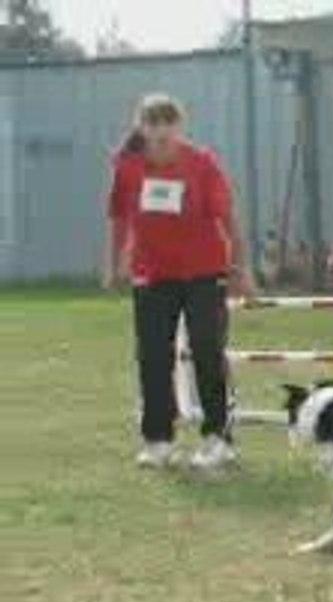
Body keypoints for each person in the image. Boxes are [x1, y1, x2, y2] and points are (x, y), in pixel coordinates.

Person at [103, 94, 256, 470]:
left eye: (167, 123)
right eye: (152, 123)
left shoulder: (202, 164)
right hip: (153, 276)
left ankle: (217, 437)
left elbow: (229, 220)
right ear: (142, 127)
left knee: (207, 350)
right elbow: (119, 218)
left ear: (179, 127)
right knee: (153, 356)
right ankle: (158, 440)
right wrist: (114, 263)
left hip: (204, 273)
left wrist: (242, 267)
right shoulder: (128, 168)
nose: (160, 131)